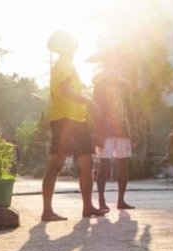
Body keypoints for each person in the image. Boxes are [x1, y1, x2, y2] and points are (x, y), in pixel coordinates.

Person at [41, 31, 105, 222]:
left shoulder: (68, 64)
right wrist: (88, 101)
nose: (75, 41)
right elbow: (64, 90)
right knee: (57, 163)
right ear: (64, 45)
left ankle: (87, 207)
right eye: (70, 40)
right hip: (64, 119)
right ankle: (47, 211)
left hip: (77, 120)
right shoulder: (63, 63)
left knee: (87, 162)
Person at [92, 48, 134, 210]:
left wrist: (134, 129)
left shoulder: (125, 85)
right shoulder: (100, 85)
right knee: (104, 165)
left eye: (117, 64)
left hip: (123, 130)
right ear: (106, 66)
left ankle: (121, 200)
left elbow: (130, 108)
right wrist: (97, 132)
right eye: (110, 64)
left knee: (123, 165)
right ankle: (101, 201)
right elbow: (95, 110)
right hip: (106, 131)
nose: (114, 67)